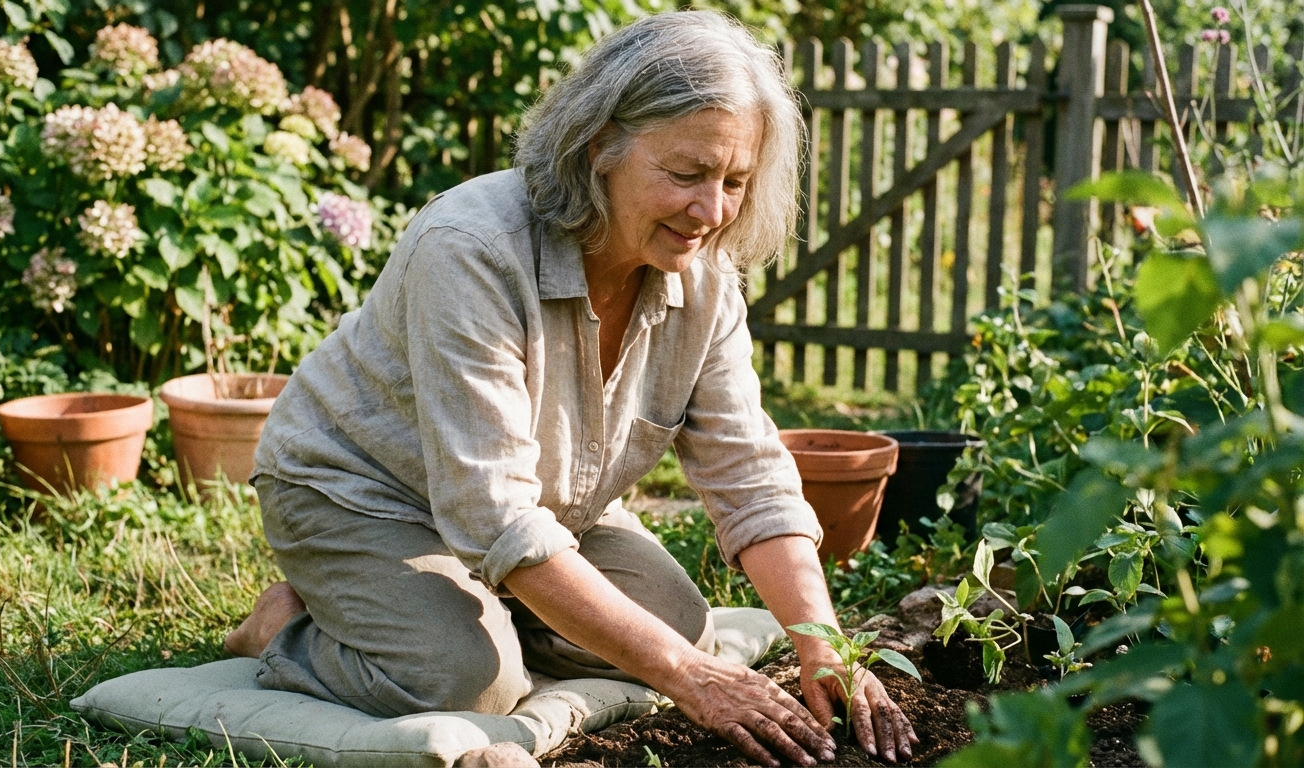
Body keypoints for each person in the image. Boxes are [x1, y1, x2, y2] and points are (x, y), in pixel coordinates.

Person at [225, 10, 917, 766]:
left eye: (734, 182)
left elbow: (748, 475)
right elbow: (492, 512)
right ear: (600, 148)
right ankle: (286, 629)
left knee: (681, 630)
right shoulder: (472, 248)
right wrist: (688, 681)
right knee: (466, 681)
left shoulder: (706, 278)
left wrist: (824, 646)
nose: (711, 211)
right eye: (686, 174)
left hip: (546, 508)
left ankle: (479, 611)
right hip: (361, 492)